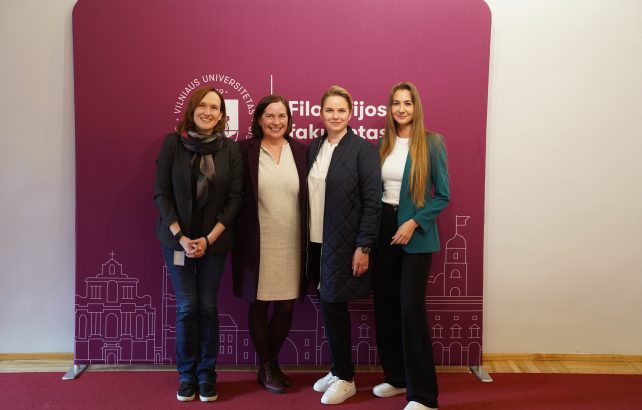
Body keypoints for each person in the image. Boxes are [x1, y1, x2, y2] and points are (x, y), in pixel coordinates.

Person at [153, 86, 243, 402]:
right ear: (192, 109)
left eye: (214, 107)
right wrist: (181, 237)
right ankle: (186, 375)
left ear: (222, 115)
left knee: (207, 306)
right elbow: (161, 193)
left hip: (214, 243)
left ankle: (206, 375)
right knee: (187, 306)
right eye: (203, 105)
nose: (208, 112)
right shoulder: (173, 144)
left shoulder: (230, 150)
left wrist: (208, 238)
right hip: (176, 240)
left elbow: (235, 199)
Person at [371, 82, 450, 410]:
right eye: (396, 103)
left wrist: (414, 222)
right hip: (383, 230)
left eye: (407, 103)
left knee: (410, 310)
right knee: (386, 306)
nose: (401, 109)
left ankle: (424, 396)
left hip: (415, 233)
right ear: (389, 108)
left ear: (416, 107)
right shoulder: (383, 143)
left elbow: (443, 195)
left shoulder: (432, 142)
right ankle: (396, 377)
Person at [308, 85, 382, 405]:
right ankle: (337, 369)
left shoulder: (363, 150)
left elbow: (372, 202)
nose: (335, 115)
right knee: (328, 307)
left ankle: (346, 378)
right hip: (314, 242)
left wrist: (364, 246)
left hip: (343, 243)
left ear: (351, 114)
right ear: (321, 113)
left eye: (341, 110)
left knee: (334, 307)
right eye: (329, 110)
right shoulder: (315, 147)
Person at [232, 94, 308, 394]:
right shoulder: (243, 151)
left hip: (292, 243)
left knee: (286, 307)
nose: (276, 122)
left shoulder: (301, 152)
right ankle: (266, 366)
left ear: (289, 119)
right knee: (260, 304)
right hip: (258, 243)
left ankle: (271, 361)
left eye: (282, 116)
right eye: (270, 116)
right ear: (259, 119)